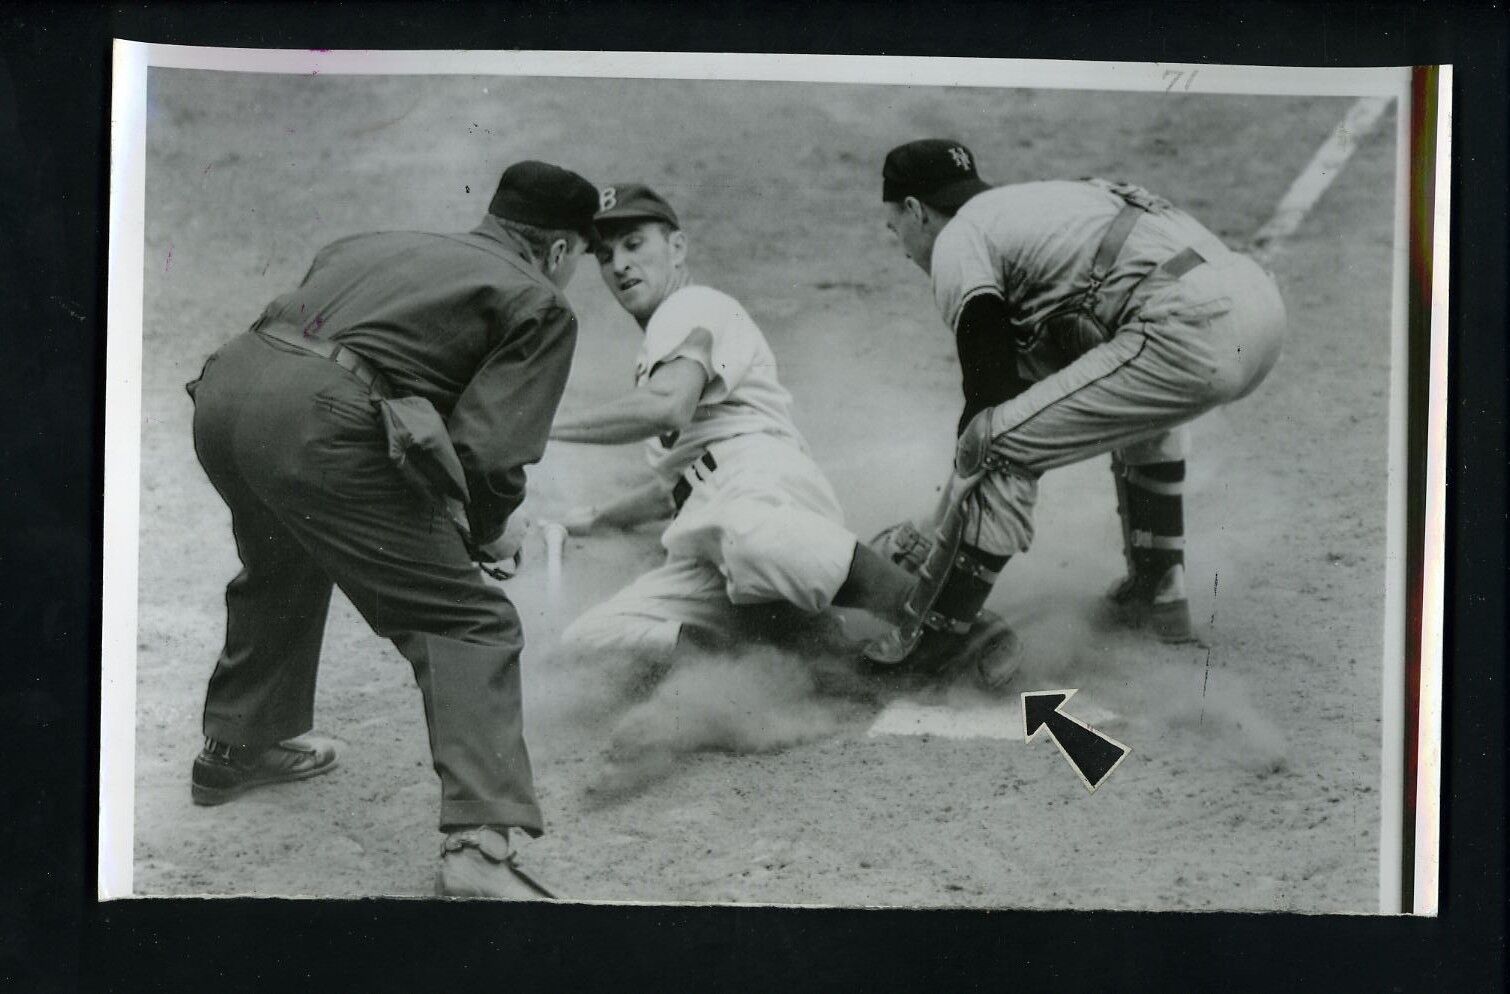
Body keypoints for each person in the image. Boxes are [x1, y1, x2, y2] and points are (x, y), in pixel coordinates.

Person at [184, 160, 599, 900]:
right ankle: (478, 849)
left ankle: (238, 743)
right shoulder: (537, 299)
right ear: (561, 250)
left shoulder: (373, 241)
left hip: (225, 391)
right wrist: (488, 531)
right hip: (318, 421)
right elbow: (489, 450)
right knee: (468, 623)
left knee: (287, 555)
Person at [548, 183, 1019, 687]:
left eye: (633, 244)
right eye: (604, 255)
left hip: (760, 487)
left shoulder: (694, 308)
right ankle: (788, 665)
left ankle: (948, 620)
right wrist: (599, 518)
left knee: (751, 539)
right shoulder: (657, 347)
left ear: (677, 248)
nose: (618, 264)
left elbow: (668, 406)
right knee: (590, 640)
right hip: (710, 529)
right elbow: (675, 486)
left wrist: (544, 429)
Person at [867, 138, 1286, 666]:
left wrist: (937, 531)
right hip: (1258, 309)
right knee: (1129, 395)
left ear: (914, 211)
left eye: (895, 230)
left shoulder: (959, 239)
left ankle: (931, 643)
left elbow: (989, 403)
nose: (903, 248)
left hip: (1189, 328)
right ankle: (1158, 596)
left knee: (996, 444)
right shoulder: (1037, 206)